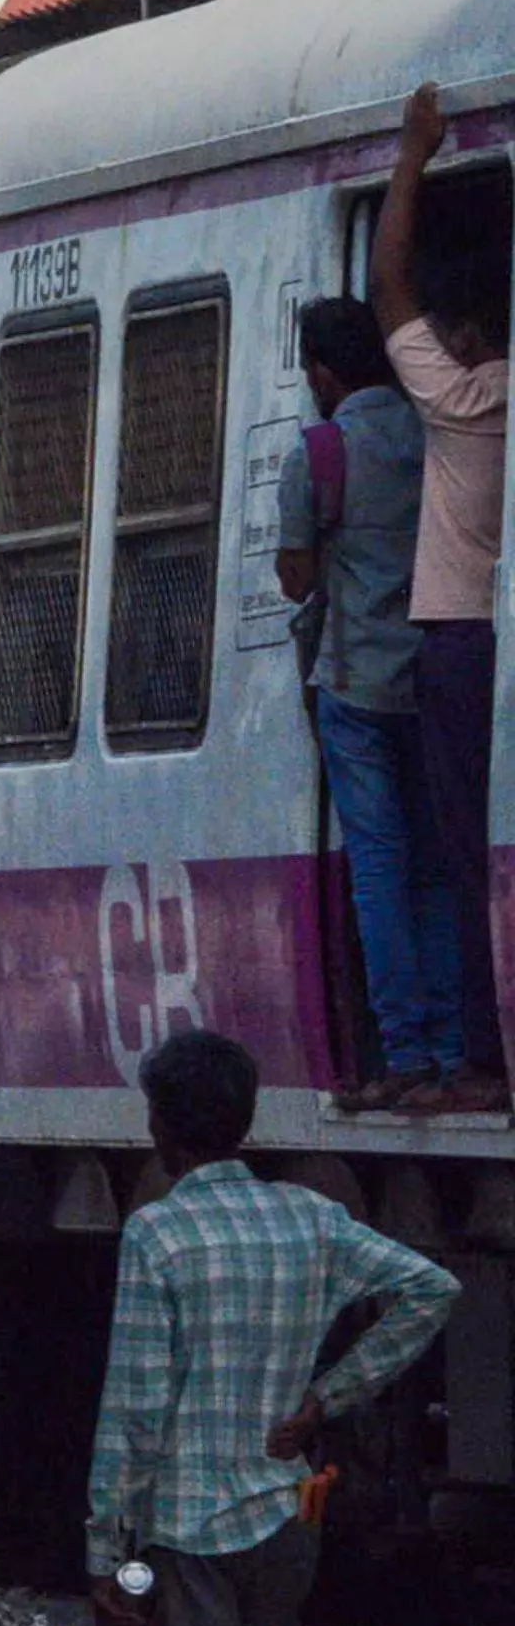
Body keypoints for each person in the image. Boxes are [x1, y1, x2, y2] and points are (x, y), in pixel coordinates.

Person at [85, 1027, 458, 1626]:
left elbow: (135, 1412)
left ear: (163, 1125)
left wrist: (107, 1552)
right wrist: (327, 1396)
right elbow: (432, 1287)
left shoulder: (157, 1232)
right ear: (243, 1119)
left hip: (187, 1526)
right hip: (285, 1516)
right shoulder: (310, 1217)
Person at [373, 87, 509, 1102]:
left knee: (465, 852)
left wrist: (414, 157)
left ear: (471, 332)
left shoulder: (464, 399)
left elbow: (386, 287)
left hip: (466, 636)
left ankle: (481, 1054)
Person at [287, 296, 453, 1110]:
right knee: (433, 867)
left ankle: (404, 1049)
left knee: (378, 872)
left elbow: (294, 576)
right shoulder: (432, 432)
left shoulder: (322, 448)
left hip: (353, 686)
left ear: (322, 370)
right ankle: (454, 1047)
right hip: (431, 671)